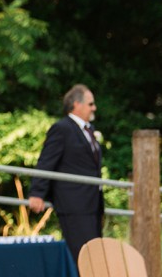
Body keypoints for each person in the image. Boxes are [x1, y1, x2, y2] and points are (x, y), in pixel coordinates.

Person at [27, 84, 104, 265]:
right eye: (90, 104)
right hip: (74, 204)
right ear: (77, 104)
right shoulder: (62, 129)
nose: (94, 108)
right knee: (84, 258)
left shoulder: (89, 131)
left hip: (92, 204)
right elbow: (47, 161)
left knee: (95, 256)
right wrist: (37, 192)